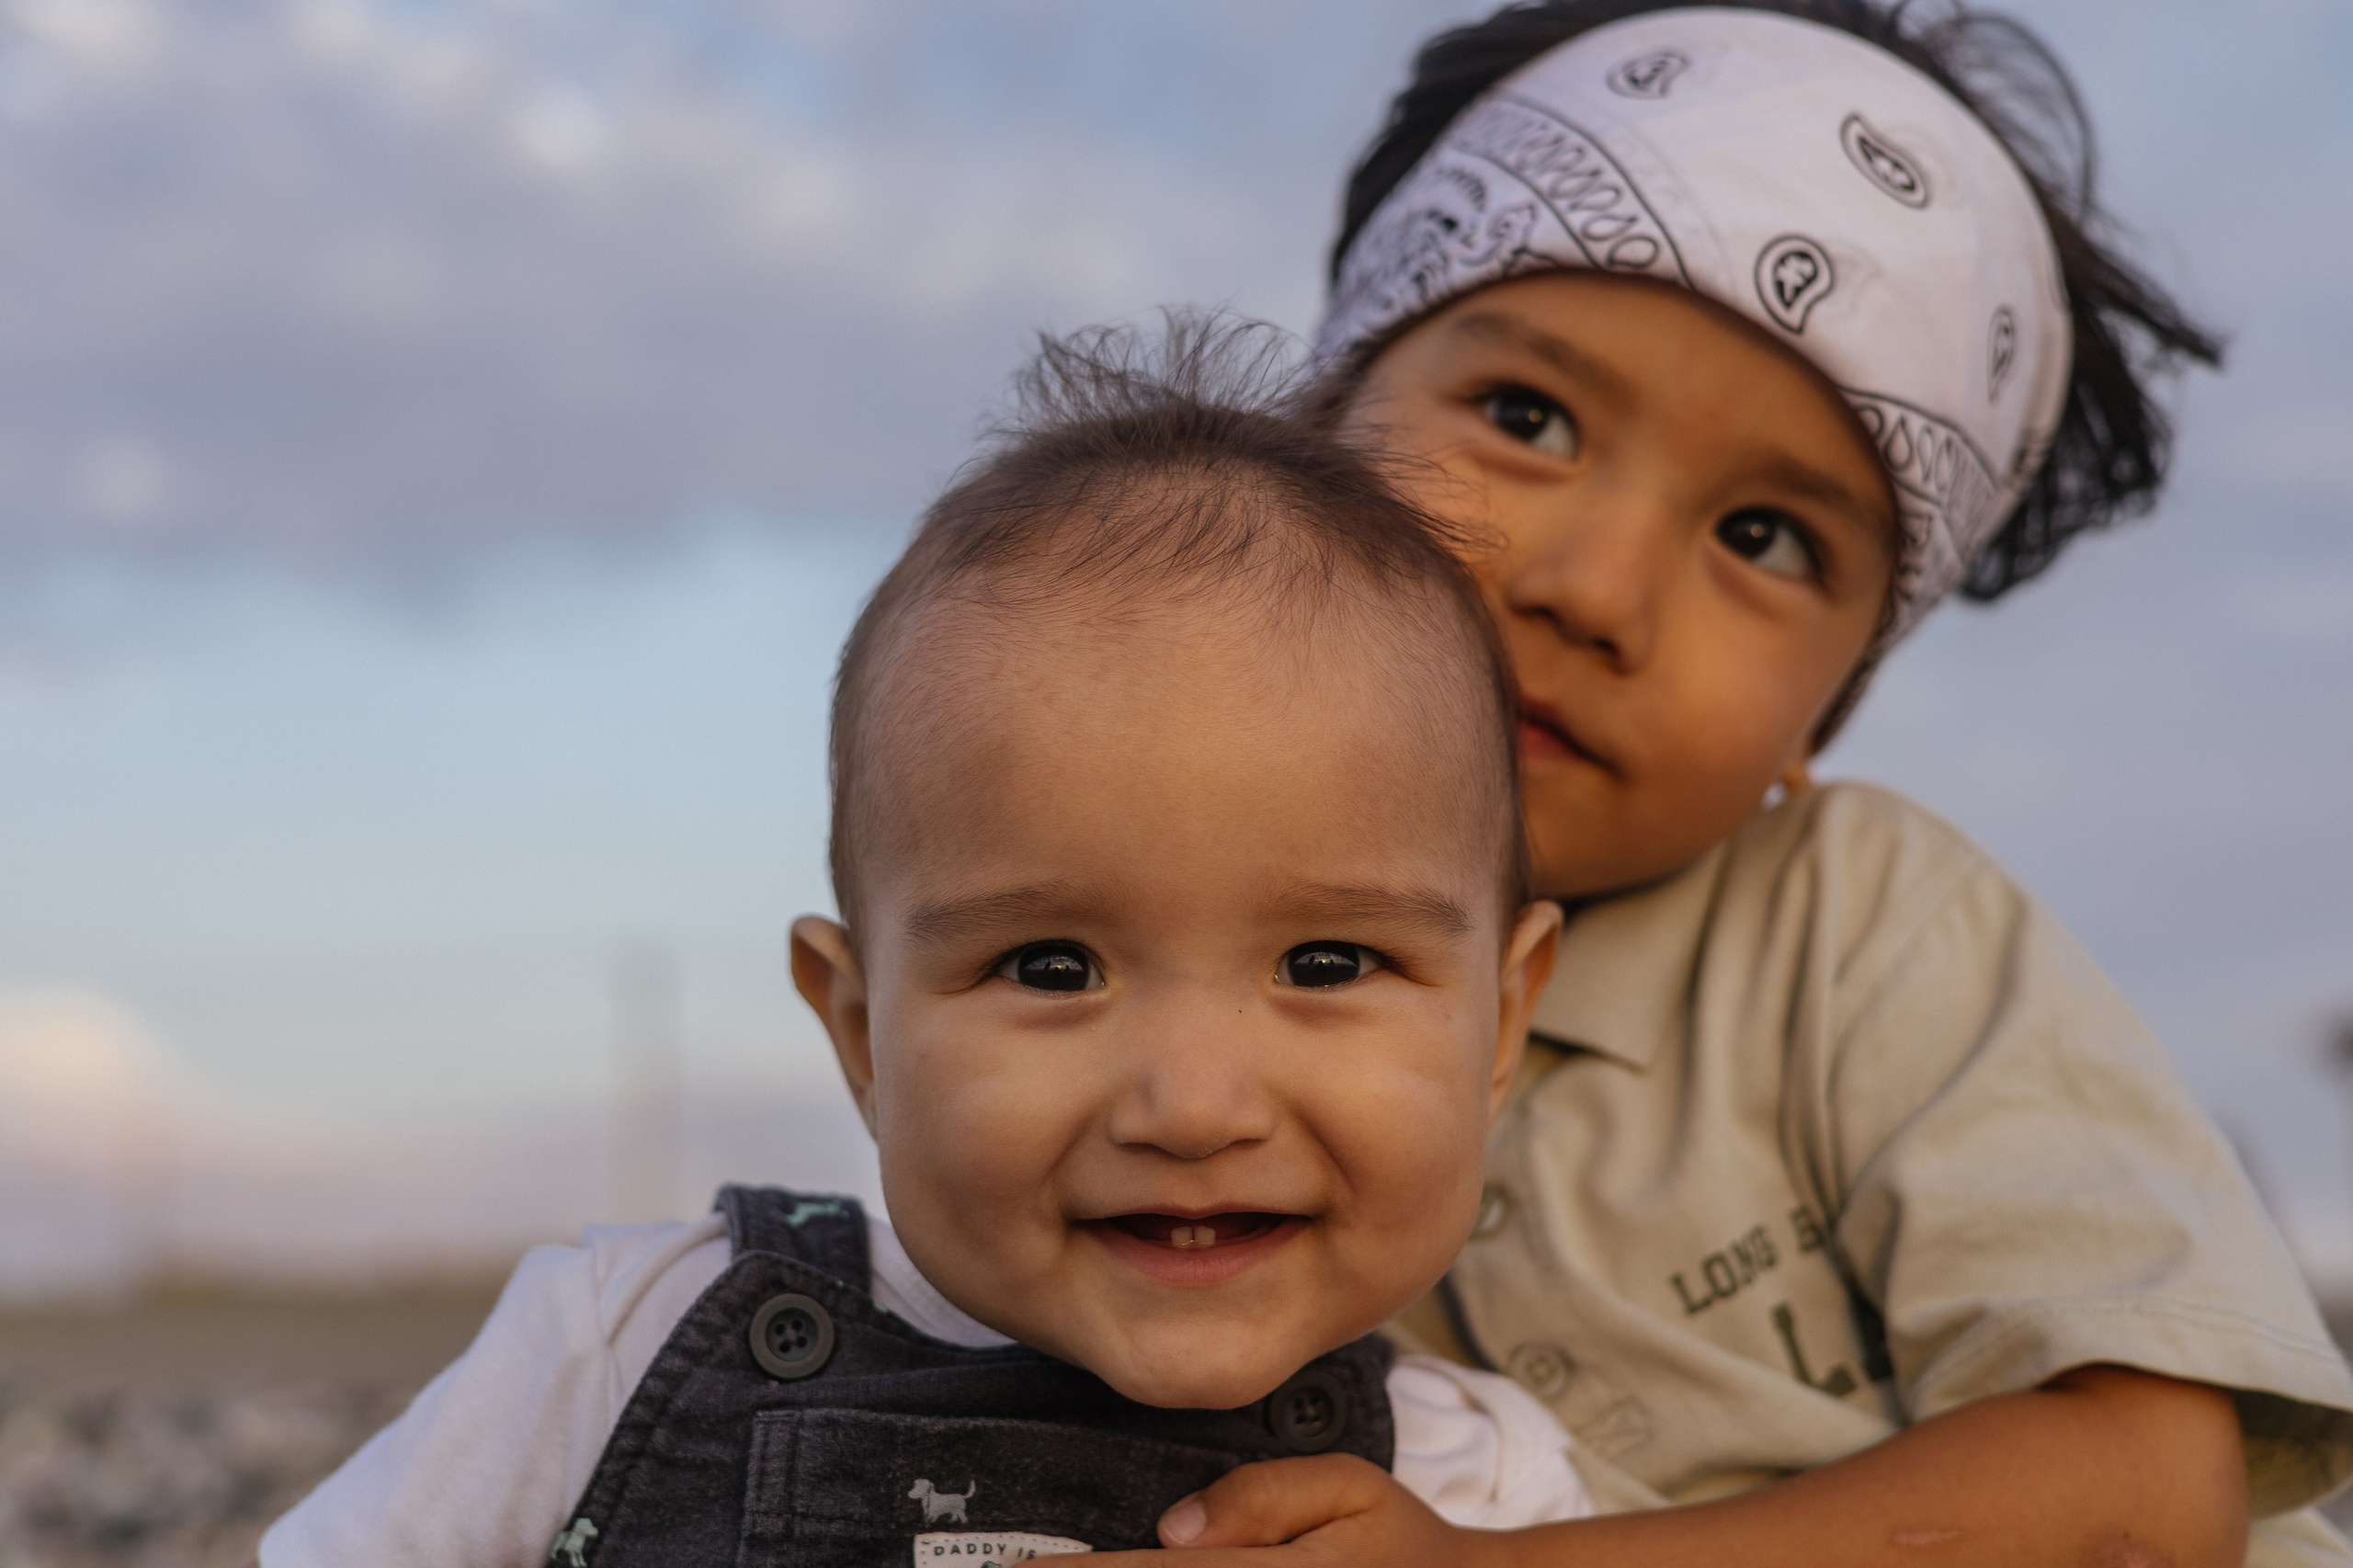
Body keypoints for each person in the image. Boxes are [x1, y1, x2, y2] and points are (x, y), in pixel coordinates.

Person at [1117, 6, 2353, 1566]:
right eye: (1527, 418)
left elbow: (2145, 1495)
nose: (1598, 591)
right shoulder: (1152, 962)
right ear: (1312, 439)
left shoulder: (1868, 928)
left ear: (1825, 712)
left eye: (1764, 537)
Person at [256, 320, 1605, 1566]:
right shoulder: (620, 1344)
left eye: (1326, 964)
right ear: (862, 1033)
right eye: (1053, 968)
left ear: (1498, 1024)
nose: (1193, 1107)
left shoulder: (1481, 1498)